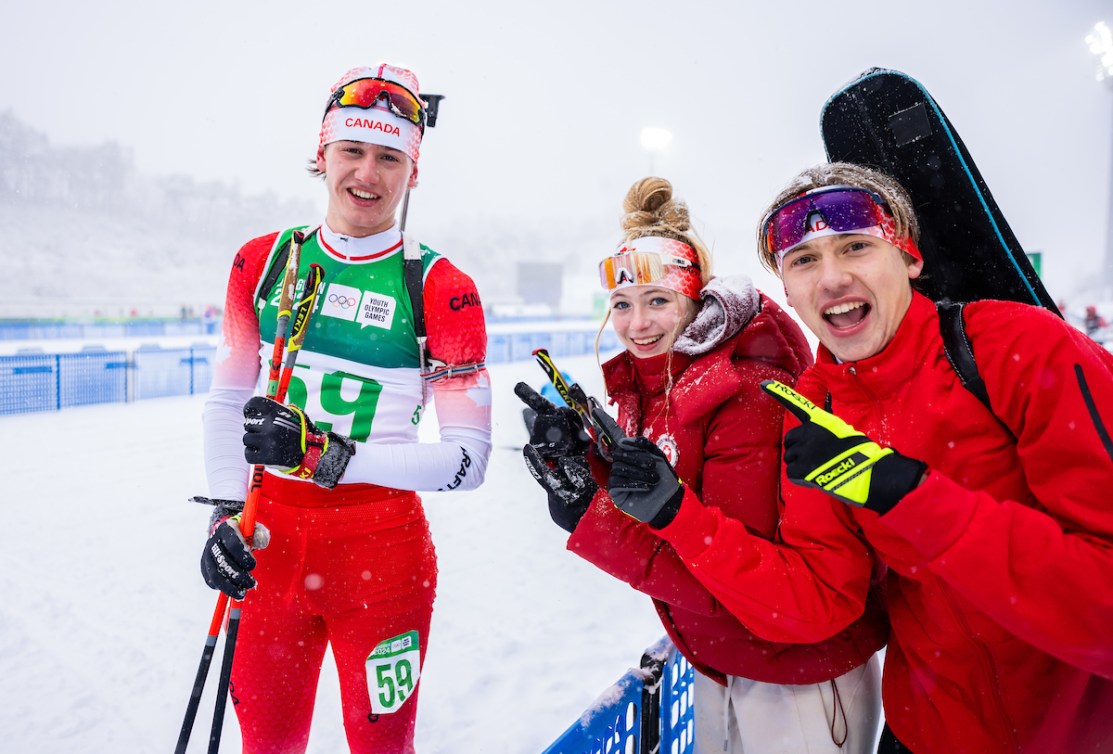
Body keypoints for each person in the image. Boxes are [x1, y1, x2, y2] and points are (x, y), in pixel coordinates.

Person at [598, 162, 1113, 753]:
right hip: (928, 733)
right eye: (803, 260)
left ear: (910, 258)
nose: (832, 278)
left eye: (856, 247)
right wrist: (672, 516)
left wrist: (906, 494)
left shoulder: (1019, 349)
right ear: (785, 289)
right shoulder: (814, 406)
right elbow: (819, 602)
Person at [517, 177, 886, 753]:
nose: (637, 324)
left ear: (695, 302)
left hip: (797, 676)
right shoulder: (658, 385)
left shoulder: (748, 395)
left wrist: (593, 517)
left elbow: (744, 580)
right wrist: (584, 465)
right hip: (724, 660)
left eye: (658, 301)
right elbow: (669, 504)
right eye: (622, 304)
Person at [195, 63, 491, 754]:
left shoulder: (442, 287)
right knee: (265, 745)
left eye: (390, 157)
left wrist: (327, 455)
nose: (368, 173)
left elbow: (469, 461)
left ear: (412, 171)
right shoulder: (262, 262)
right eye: (352, 151)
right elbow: (227, 397)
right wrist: (220, 512)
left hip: (382, 559)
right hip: (266, 541)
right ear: (321, 153)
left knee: (381, 747)